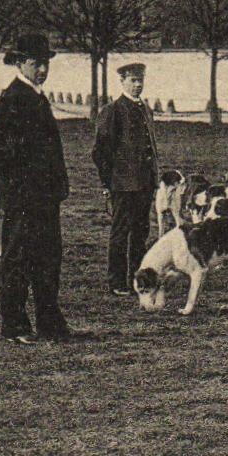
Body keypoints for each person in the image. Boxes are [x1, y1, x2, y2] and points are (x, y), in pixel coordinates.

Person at [0, 32, 76, 344]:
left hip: (45, 197)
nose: (43, 69)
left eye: (46, 62)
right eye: (36, 63)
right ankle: (15, 326)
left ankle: (50, 322)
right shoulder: (12, 100)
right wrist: (12, 187)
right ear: (20, 63)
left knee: (48, 259)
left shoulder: (35, 97)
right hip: (24, 198)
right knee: (18, 260)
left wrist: (56, 184)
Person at [93, 62, 159, 296]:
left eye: (140, 80)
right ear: (122, 82)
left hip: (144, 183)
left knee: (141, 233)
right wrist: (107, 183)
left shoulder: (144, 109)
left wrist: (154, 178)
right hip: (122, 184)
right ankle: (117, 281)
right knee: (120, 233)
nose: (137, 85)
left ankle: (136, 278)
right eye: (132, 80)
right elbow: (100, 151)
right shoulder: (113, 110)